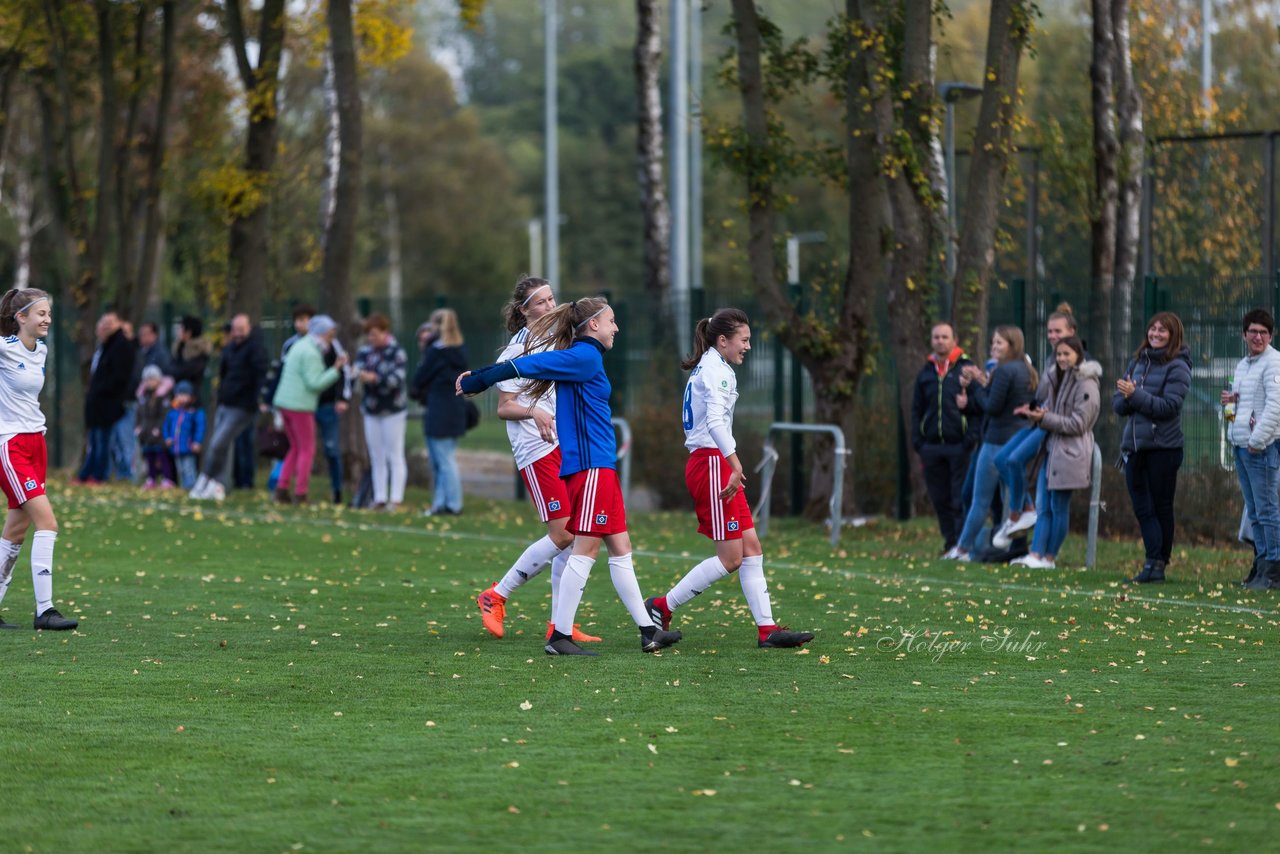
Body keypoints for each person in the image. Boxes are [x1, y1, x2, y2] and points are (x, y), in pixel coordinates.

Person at [458, 296, 681, 656]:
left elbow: (526, 366)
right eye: (611, 321)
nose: (616, 328)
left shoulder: (586, 357)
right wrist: (478, 381)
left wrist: (481, 379)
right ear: (593, 325)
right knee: (585, 547)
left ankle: (648, 631)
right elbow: (521, 365)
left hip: (600, 466)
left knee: (621, 547)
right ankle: (559, 636)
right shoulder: (584, 355)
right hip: (591, 466)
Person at [644, 309, 814, 649]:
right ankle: (661, 606)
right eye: (744, 340)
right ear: (723, 341)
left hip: (714, 463)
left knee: (751, 550)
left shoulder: (712, 366)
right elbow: (715, 425)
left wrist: (730, 463)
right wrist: (734, 464)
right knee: (731, 558)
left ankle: (767, 630)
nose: (748, 347)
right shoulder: (716, 371)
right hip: (711, 465)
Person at [474, 277, 601, 644]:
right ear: (523, 310)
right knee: (563, 533)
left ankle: (561, 623)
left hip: (564, 444)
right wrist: (534, 412)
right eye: (540, 302)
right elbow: (504, 408)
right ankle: (496, 595)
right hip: (536, 449)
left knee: (573, 533)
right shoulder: (513, 353)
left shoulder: (558, 340)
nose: (549, 306)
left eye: (551, 298)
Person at [0, 288, 77, 630]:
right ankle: (44, 611)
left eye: (49, 313)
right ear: (21, 318)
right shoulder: (3, 349)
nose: (47, 319)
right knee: (48, 523)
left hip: (36, 444)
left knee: (16, 531)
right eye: (41, 314)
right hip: (11, 444)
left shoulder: (42, 351)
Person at [1008, 336, 1102, 568]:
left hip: (1070, 454)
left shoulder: (1087, 384)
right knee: (1043, 507)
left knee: (1058, 507)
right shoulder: (1056, 378)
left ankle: (1049, 557)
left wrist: (1045, 418)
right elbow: (1047, 408)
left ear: (1078, 355)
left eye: (1066, 354)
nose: (1061, 358)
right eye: (1058, 354)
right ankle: (1036, 555)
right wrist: (1035, 414)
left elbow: (1079, 424)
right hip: (1051, 450)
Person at [945, 325, 1037, 562]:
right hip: (1017, 438)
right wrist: (981, 381)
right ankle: (1022, 519)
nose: (994, 347)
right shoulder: (1024, 369)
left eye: (1000, 343)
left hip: (997, 440)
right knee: (1012, 489)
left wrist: (975, 388)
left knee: (980, 500)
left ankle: (963, 549)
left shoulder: (1005, 371)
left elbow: (992, 406)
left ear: (1013, 346)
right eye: (993, 342)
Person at [991, 304, 1079, 548]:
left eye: (1057, 331)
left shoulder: (1076, 360)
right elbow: (1045, 394)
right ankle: (1026, 509)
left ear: (1072, 331)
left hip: (1051, 426)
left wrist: (1045, 412)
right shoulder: (1053, 358)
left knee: (1014, 461)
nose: (1052, 336)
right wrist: (1031, 408)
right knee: (1001, 460)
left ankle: (1020, 516)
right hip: (1039, 420)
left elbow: (1074, 400)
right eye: (1049, 331)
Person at [1112, 313, 1191, 584]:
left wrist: (1135, 395)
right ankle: (1151, 560)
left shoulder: (1178, 366)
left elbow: (1169, 407)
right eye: (1152, 328)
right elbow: (1119, 404)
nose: (1155, 334)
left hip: (1163, 449)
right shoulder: (1138, 361)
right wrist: (1127, 396)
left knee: (1160, 507)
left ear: (1173, 335)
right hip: (1134, 447)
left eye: (1162, 330)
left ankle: (1157, 563)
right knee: (1142, 508)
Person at [1221, 309, 1280, 591]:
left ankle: (1273, 570)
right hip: (1241, 444)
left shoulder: (1274, 362)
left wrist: (1258, 441)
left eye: (1263, 332)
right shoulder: (1244, 364)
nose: (1258, 336)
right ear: (1244, 334)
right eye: (1253, 331)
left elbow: (1275, 407)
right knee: (1254, 512)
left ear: (1271, 335)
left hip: (1261, 448)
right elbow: (1245, 403)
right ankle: (1260, 566)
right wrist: (1232, 402)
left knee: (1268, 511)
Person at [911, 322, 980, 553]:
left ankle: (963, 545)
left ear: (954, 340)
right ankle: (949, 542)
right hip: (931, 447)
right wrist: (918, 442)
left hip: (959, 445)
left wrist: (969, 438)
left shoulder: (967, 369)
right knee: (939, 499)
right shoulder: (925, 372)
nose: (940, 341)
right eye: (936, 337)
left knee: (959, 497)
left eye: (945, 337)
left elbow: (977, 407)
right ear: (932, 341)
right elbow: (916, 409)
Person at [189, 313, 269, 501]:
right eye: (235, 329)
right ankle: (219, 485)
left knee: (218, 443)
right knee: (222, 446)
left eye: (242, 329)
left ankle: (205, 478)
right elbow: (224, 373)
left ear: (249, 328)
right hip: (226, 403)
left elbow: (260, 375)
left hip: (242, 406)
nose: (238, 333)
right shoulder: (230, 349)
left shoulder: (256, 350)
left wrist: (260, 398)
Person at [272, 314, 345, 504]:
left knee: (294, 448)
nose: (331, 340)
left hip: (285, 403)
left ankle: (282, 487)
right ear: (321, 334)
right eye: (329, 335)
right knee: (307, 449)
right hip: (299, 405)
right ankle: (301, 492)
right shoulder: (311, 352)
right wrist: (335, 370)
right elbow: (315, 383)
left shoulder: (300, 345)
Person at [411, 308, 468, 516]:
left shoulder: (435, 351)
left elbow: (419, 378)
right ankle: (442, 502)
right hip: (455, 409)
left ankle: (452, 504)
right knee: (445, 458)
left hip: (438, 410)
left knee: (443, 461)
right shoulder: (460, 349)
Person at [76, 311, 138, 484]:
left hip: (110, 403)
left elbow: (120, 377)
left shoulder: (120, 346)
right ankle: (91, 473)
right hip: (100, 403)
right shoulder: (105, 346)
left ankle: (105, 475)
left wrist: (102, 391)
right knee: (97, 441)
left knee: (112, 442)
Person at [355, 313, 409, 511]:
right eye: (369, 335)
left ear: (385, 332)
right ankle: (379, 497)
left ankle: (395, 499)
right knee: (376, 455)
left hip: (393, 410)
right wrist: (358, 375)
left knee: (394, 454)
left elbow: (397, 379)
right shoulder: (364, 352)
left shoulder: (396, 352)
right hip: (371, 409)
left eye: (375, 334)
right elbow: (355, 373)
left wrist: (375, 378)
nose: (371, 338)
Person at [136, 365, 175, 489]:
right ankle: (151, 479)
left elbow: (164, 416)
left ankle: (167, 479)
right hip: (146, 433)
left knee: (162, 457)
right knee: (149, 457)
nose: (150, 382)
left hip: (159, 434)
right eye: (147, 379)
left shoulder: (164, 397)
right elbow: (139, 414)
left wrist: (159, 429)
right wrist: (138, 427)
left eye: (152, 379)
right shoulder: (143, 397)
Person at [164, 381, 205, 490]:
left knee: (189, 468)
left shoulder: (195, 412)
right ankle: (183, 487)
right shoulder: (173, 412)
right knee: (180, 469)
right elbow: (166, 425)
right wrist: (167, 437)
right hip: (176, 447)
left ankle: (191, 487)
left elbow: (200, 428)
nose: (181, 398)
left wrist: (197, 441)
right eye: (179, 395)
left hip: (188, 447)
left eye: (184, 395)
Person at [169, 316, 211, 404]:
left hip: (191, 398)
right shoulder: (178, 348)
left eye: (181, 329)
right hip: (176, 397)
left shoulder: (199, 350)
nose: (178, 332)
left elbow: (185, 371)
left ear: (188, 332)